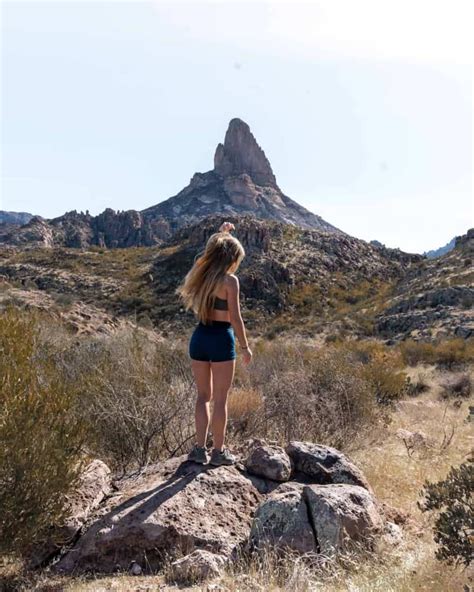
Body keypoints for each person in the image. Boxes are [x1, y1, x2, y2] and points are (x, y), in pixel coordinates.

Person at [176, 221, 253, 466]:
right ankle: (218, 453)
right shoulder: (230, 282)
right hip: (221, 339)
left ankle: (199, 450)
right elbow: (236, 318)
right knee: (221, 400)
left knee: (203, 397)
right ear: (231, 258)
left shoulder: (201, 276)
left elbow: (206, 255)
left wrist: (222, 235)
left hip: (200, 338)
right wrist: (245, 347)